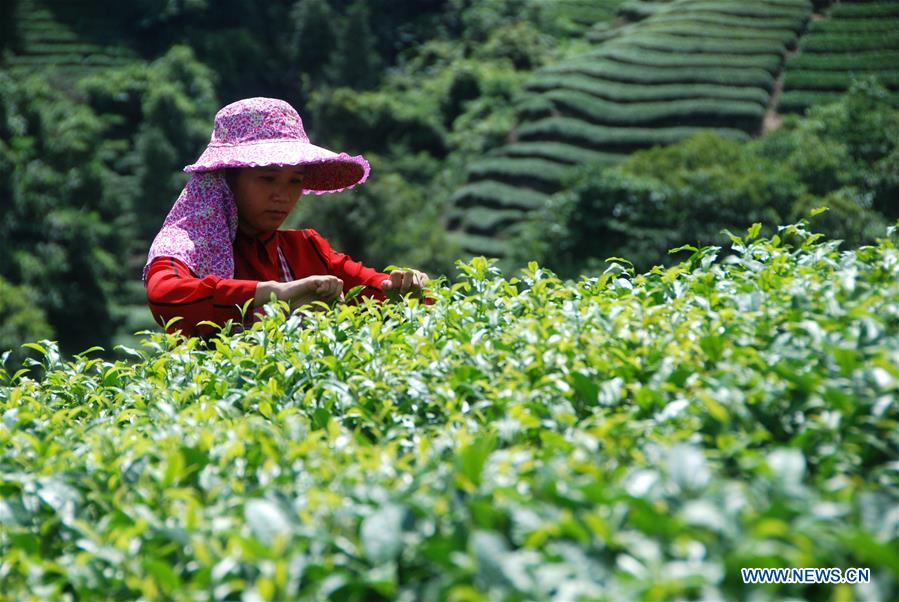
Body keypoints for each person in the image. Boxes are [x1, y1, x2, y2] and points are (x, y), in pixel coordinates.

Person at [143, 97, 433, 339]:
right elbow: (165, 296)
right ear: (227, 179)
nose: (282, 195)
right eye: (267, 178)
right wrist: (277, 293)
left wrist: (405, 289)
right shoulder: (184, 245)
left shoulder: (306, 250)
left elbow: (379, 290)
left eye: (295, 181)